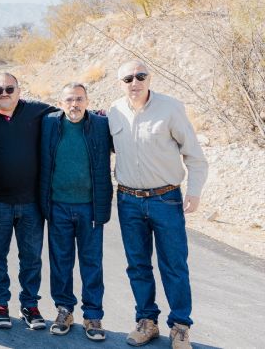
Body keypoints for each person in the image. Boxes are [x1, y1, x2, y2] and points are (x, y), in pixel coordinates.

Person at [109, 61, 208, 349]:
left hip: (166, 198)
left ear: (149, 78)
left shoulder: (171, 108)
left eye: (141, 76)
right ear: (121, 83)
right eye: (128, 78)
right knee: (138, 265)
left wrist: (195, 191)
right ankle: (146, 322)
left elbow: (195, 155)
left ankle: (180, 326)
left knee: (174, 265)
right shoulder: (114, 112)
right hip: (128, 201)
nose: (135, 82)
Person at [0, 73, 56, 330]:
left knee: (31, 257)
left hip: (31, 203)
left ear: (19, 90)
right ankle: (0, 304)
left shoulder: (36, 111)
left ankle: (30, 305)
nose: (4, 94)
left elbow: (69, 112)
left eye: (9, 89)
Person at [40, 83, 112, 341]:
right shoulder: (49, 123)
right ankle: (64, 310)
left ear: (87, 100)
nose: (75, 104)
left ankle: (93, 315)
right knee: (61, 261)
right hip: (58, 205)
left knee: (91, 263)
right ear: (61, 103)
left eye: (79, 99)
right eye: (69, 99)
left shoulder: (102, 125)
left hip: (90, 207)